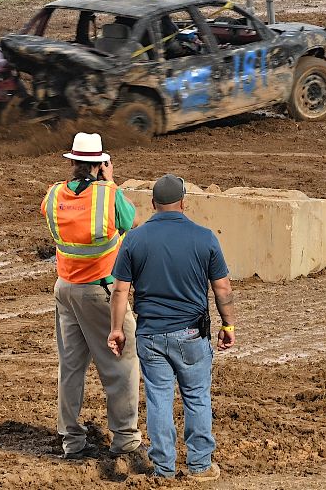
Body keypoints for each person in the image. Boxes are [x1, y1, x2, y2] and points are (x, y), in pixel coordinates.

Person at [108, 174, 233, 482]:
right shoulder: (205, 237)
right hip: (192, 334)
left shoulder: (134, 239)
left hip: (150, 336)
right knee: (197, 397)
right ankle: (200, 466)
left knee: (159, 399)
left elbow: (120, 290)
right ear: (183, 203)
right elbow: (222, 288)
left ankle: (163, 470)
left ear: (153, 204)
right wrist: (228, 324)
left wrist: (116, 330)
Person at [41, 133, 148, 472]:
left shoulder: (54, 193)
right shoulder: (107, 195)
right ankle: (125, 440)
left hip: (65, 290)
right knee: (121, 363)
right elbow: (128, 221)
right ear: (100, 164)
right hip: (100, 292)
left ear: (72, 162)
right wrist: (111, 181)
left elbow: (52, 214)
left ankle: (71, 440)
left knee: (70, 367)